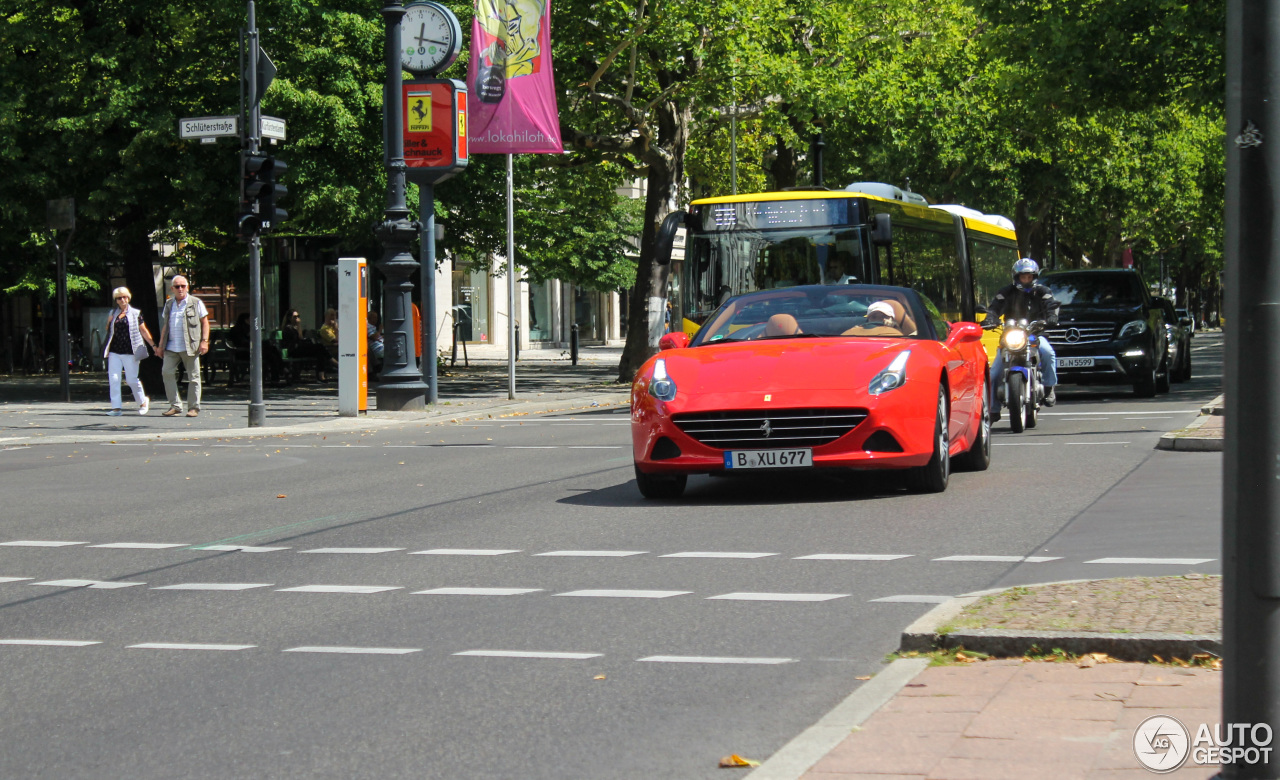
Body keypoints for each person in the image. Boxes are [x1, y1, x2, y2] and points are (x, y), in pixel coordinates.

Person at [982, 258, 1060, 416]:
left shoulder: (1043, 292)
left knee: (1048, 353)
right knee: (994, 371)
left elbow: (1051, 306)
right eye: (1023, 277)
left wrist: (1051, 318)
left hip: (1034, 333)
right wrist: (990, 318)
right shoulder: (1006, 292)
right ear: (1016, 277)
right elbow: (994, 308)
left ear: (1034, 277)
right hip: (1010, 334)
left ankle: (1049, 387)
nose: (1026, 280)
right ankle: (993, 409)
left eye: (1029, 277)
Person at [153, 275, 209, 417]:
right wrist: (160, 346)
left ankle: (193, 408)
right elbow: (165, 326)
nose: (180, 289)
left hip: (190, 346)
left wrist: (204, 341)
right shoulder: (169, 304)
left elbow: (205, 322)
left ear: (187, 287)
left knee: (194, 377)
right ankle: (175, 405)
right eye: (177, 286)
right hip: (171, 346)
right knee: (167, 373)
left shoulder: (196, 302)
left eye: (183, 286)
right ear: (172, 289)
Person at [103, 287, 155, 416]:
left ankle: (143, 402)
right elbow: (108, 330)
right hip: (115, 350)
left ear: (129, 298)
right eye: (119, 298)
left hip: (131, 351)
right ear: (116, 300)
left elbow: (143, 330)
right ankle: (116, 408)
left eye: (124, 297)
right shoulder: (113, 313)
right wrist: (108, 322)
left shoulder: (135, 313)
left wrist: (153, 345)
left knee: (131, 379)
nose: (122, 300)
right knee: (114, 379)